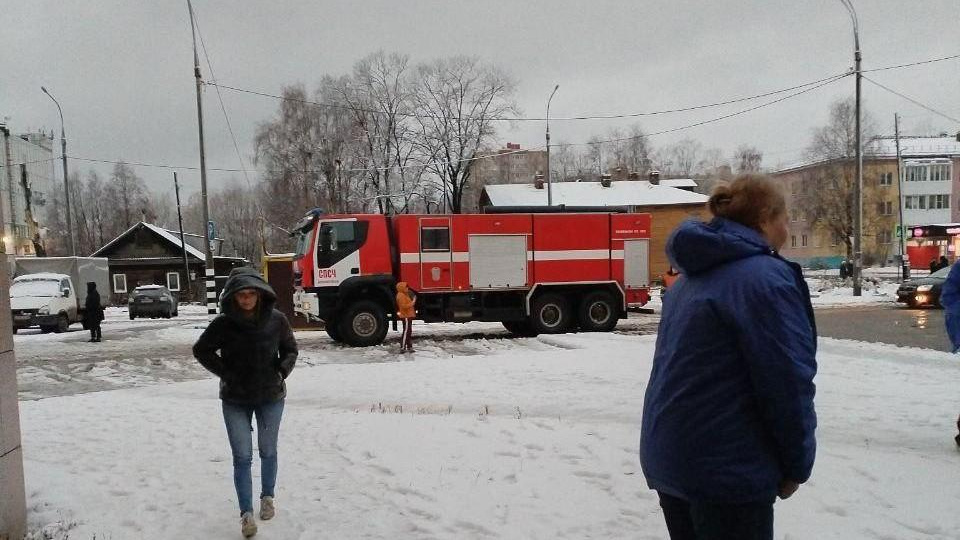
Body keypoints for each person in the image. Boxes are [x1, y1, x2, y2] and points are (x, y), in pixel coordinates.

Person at [640, 175, 818, 540]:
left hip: (673, 460)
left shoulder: (691, 277)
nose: (787, 227)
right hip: (728, 470)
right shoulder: (765, 279)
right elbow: (786, 382)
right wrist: (796, 464)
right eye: (785, 218)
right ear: (766, 218)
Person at [193, 267, 298, 538]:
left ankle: (267, 497)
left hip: (271, 397)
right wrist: (227, 373)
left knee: (268, 450)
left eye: (252, 293)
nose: (248, 299)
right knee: (242, 456)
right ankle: (246, 514)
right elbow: (201, 350)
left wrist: (281, 372)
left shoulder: (277, 320)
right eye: (242, 294)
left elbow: (290, 349)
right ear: (234, 296)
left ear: (261, 294)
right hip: (235, 398)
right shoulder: (224, 323)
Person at [396, 282, 416, 353]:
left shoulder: (404, 294)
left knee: (408, 331)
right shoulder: (401, 295)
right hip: (406, 316)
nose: (407, 288)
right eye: (406, 287)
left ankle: (409, 346)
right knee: (406, 331)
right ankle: (403, 347)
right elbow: (404, 306)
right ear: (402, 288)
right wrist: (412, 303)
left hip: (408, 315)